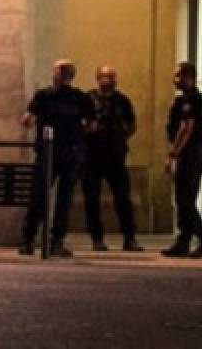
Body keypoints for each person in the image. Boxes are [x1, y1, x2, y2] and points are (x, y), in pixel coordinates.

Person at [20, 59, 96, 257]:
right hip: (70, 152)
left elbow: (27, 120)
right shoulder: (80, 98)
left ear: (56, 74)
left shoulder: (44, 96)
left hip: (47, 153)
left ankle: (28, 240)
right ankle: (56, 241)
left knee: (39, 196)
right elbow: (92, 125)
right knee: (64, 200)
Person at [83, 66, 143, 252]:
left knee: (123, 198)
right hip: (92, 156)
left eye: (112, 77)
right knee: (92, 199)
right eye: (106, 76)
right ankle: (97, 238)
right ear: (98, 78)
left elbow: (132, 124)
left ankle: (129, 237)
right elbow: (80, 123)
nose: (109, 80)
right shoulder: (87, 100)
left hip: (116, 156)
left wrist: (120, 136)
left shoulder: (122, 101)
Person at [162, 61, 202, 257]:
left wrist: (173, 153)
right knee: (184, 199)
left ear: (188, 77)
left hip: (190, 154)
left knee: (185, 200)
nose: (174, 79)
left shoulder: (190, 101)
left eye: (178, 76)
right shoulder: (191, 99)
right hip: (193, 153)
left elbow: (186, 128)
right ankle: (183, 241)